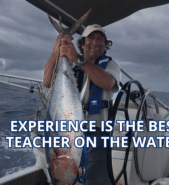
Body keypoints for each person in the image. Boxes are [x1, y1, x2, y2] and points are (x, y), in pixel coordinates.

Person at [43, 24, 120, 185]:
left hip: (96, 134)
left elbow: (107, 83)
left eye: (100, 39)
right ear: (82, 43)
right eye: (91, 38)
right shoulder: (69, 65)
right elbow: (47, 81)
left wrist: (78, 59)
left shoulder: (110, 65)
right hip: (68, 132)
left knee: (95, 180)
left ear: (105, 45)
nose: (96, 42)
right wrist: (57, 49)